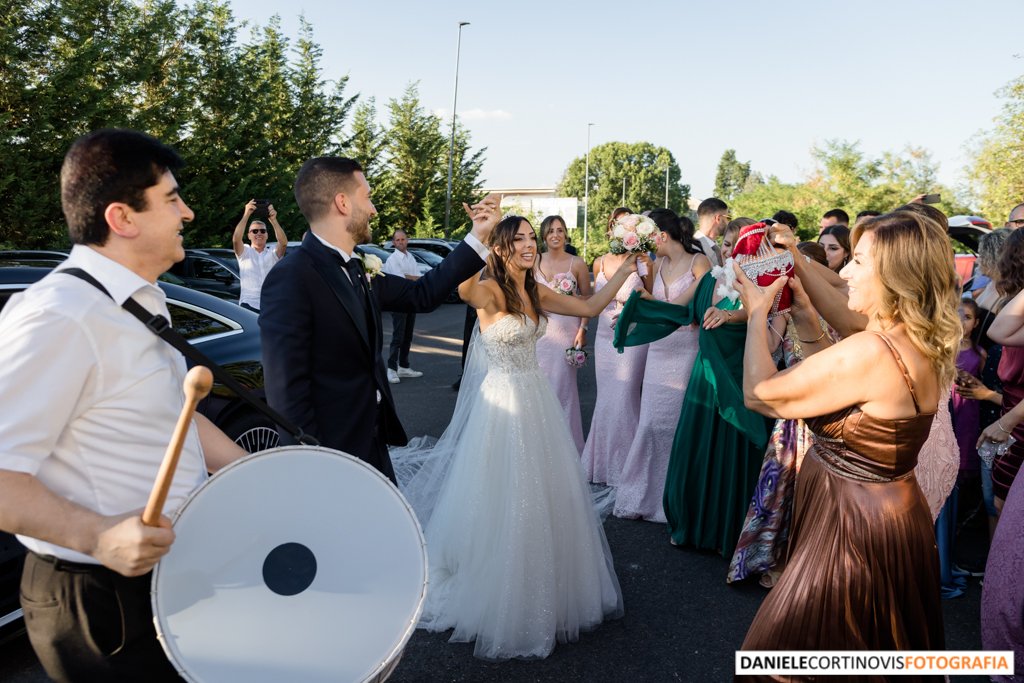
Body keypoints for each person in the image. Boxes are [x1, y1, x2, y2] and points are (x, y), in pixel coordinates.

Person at [0, 129, 247, 682]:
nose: (187, 213)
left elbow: (171, 417)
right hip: (99, 597)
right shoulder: (58, 315)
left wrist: (259, 473)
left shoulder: (136, 300)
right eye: (172, 199)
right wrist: (98, 535)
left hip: (165, 576)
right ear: (122, 218)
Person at [395, 215, 630, 660]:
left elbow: (590, 307)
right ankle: (497, 590)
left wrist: (626, 269)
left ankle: (542, 586)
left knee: (543, 496)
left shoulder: (536, 290)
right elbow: (463, 288)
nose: (529, 244)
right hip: (501, 404)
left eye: (531, 238)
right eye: (518, 238)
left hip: (537, 399)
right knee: (503, 496)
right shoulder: (488, 290)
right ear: (501, 247)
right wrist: (478, 235)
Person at [738, 210, 960, 658]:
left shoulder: (873, 350)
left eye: (858, 261)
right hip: (882, 511)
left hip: (853, 526)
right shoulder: (912, 337)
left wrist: (756, 314)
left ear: (896, 275)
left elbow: (759, 394)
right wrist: (805, 316)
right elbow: (843, 388)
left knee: (788, 651)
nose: (845, 274)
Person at [259, 157, 498, 483]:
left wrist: (477, 236)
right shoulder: (292, 277)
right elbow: (286, 393)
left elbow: (423, 294)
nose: (373, 210)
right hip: (332, 456)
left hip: (373, 443)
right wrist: (314, 468)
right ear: (342, 203)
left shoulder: (360, 267)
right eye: (367, 197)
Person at [613, 209, 709, 522]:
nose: (648, 244)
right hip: (658, 349)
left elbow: (681, 307)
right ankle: (643, 495)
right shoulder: (658, 263)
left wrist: (646, 305)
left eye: (650, 237)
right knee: (650, 423)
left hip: (686, 350)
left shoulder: (700, 263)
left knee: (677, 424)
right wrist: (631, 312)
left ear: (662, 236)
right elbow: (654, 305)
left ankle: (674, 499)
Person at [580, 209, 653, 485]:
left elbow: (652, 297)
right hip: (603, 335)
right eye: (619, 226)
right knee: (606, 398)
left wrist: (631, 311)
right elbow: (592, 300)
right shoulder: (599, 262)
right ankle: (600, 465)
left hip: (632, 335)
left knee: (625, 396)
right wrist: (583, 329)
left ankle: (628, 468)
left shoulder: (643, 262)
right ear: (612, 230)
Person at [534, 215, 592, 452]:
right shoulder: (534, 260)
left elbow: (588, 300)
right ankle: (539, 445)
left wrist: (583, 329)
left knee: (564, 389)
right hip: (538, 332)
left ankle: (566, 449)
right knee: (537, 387)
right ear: (543, 235)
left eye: (559, 230)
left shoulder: (577, 263)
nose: (555, 235)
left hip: (566, 332)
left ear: (566, 233)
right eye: (550, 231)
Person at [382, 229, 424, 384]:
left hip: (410, 301)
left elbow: (417, 277)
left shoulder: (410, 257)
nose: (400, 242)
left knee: (408, 336)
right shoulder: (393, 259)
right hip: (398, 302)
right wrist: (412, 278)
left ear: (407, 240)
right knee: (398, 337)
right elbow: (401, 280)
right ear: (393, 242)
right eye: (397, 240)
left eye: (403, 239)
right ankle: (391, 369)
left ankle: (404, 367)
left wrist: (411, 277)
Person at [232, 199, 288, 311]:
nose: (259, 233)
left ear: (267, 235)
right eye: (254, 231)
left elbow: (283, 243)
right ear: (248, 235)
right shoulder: (245, 252)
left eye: (262, 231)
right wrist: (246, 214)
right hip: (249, 305)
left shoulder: (273, 252)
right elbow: (236, 239)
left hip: (272, 305)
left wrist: (273, 220)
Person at [695, 197, 729, 266]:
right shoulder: (693, 248)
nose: (728, 222)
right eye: (728, 218)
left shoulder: (718, 248)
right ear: (718, 219)